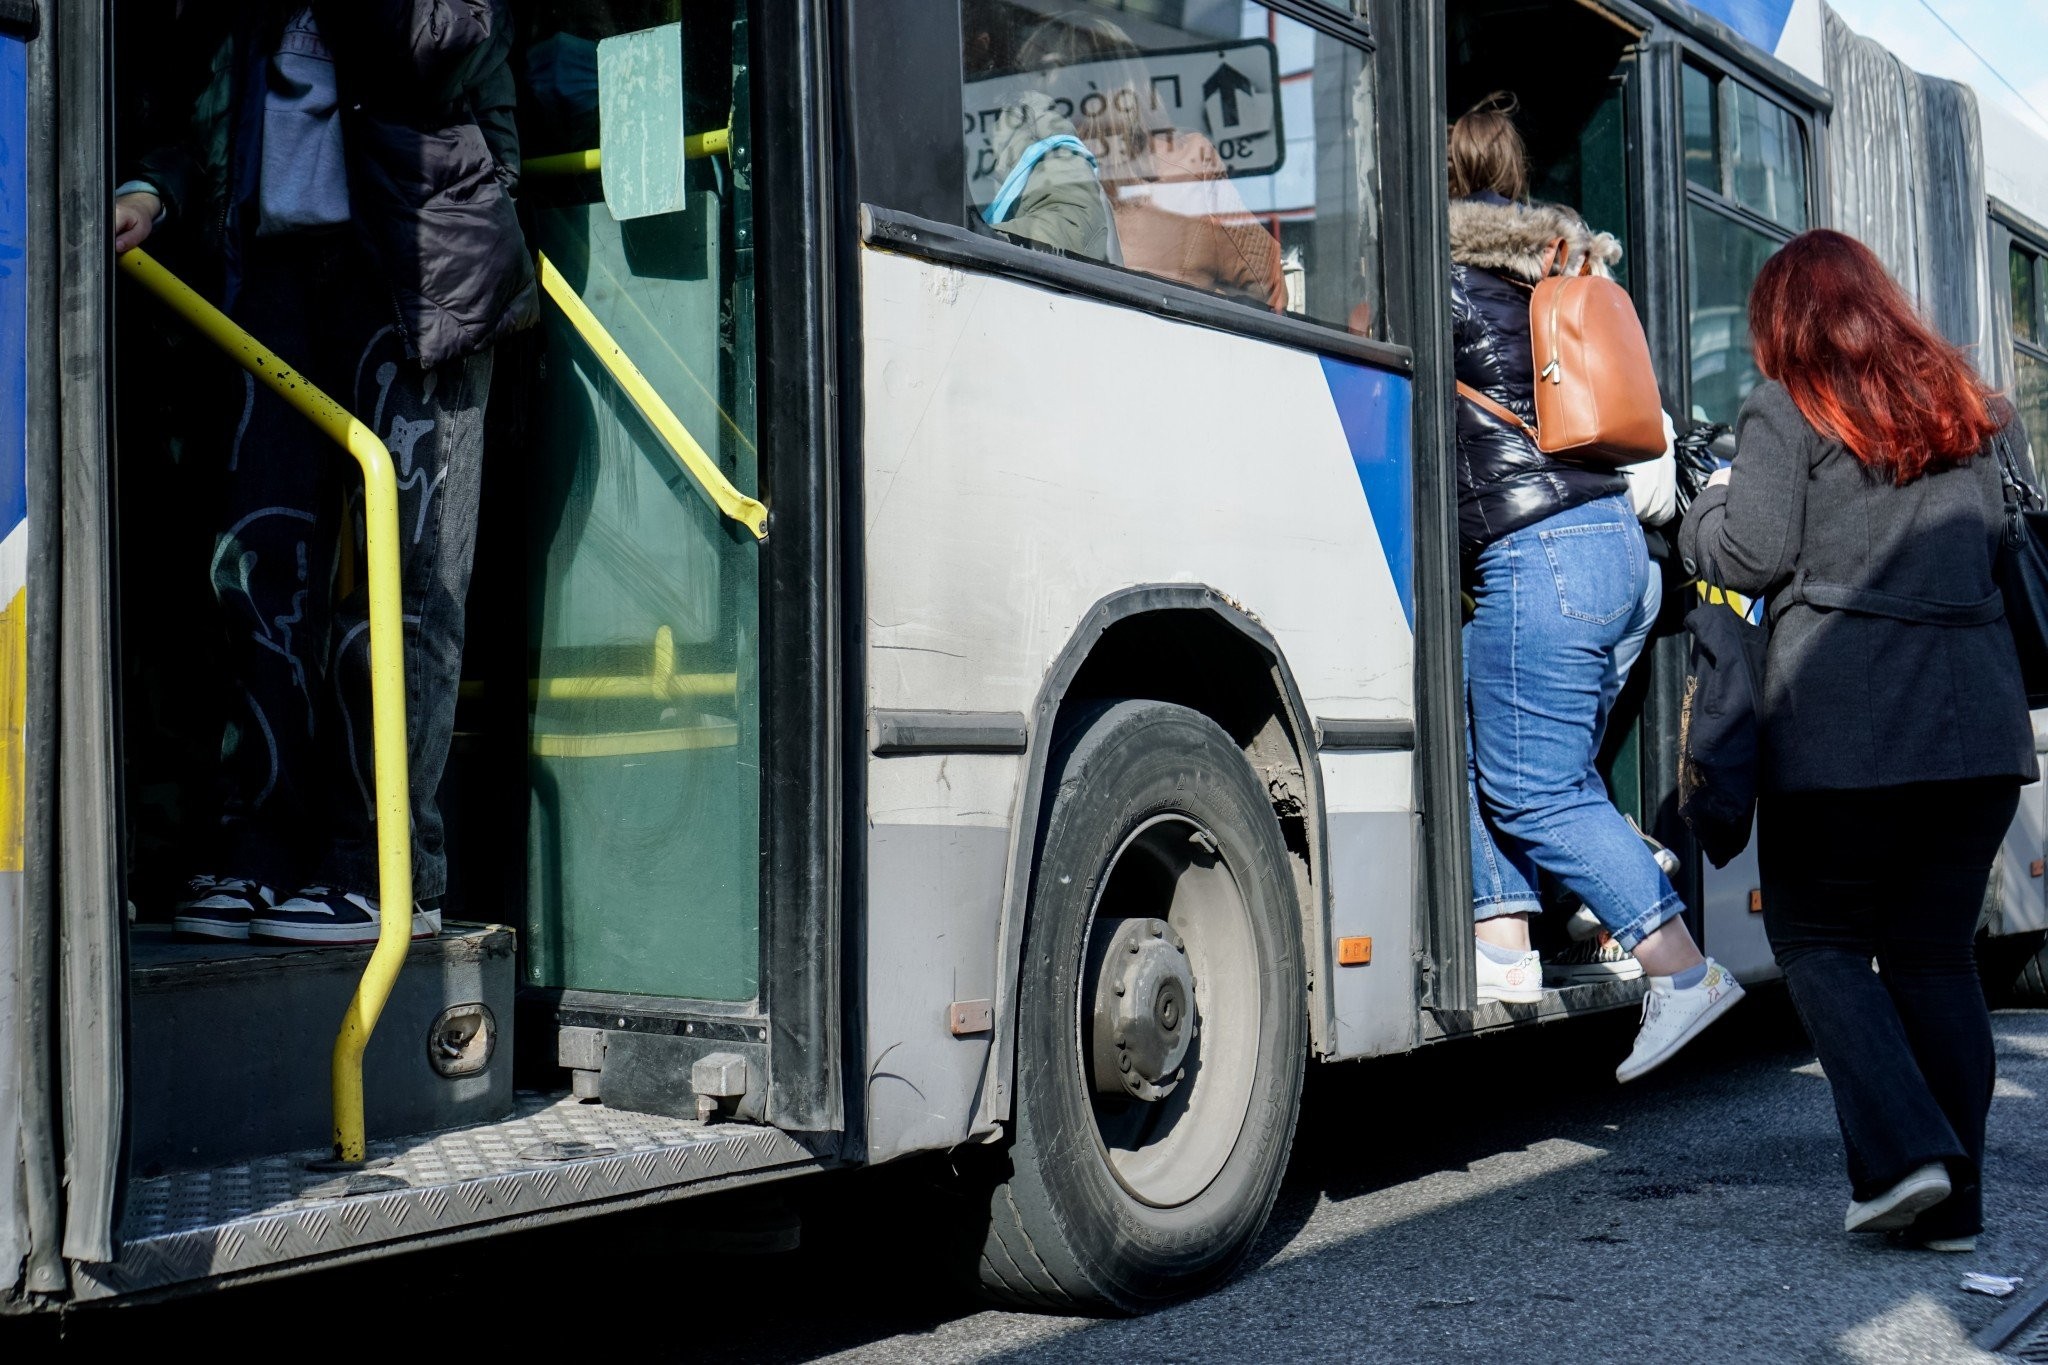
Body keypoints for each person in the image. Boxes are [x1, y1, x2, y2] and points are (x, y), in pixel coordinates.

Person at [114, 1, 537, 945]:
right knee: (260, 568)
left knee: (405, 584)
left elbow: (447, 41)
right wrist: (155, 186)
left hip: (416, 265)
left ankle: (383, 866)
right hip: (271, 270)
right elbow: (208, 97)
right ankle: (260, 844)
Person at [1680, 229, 2037, 1252]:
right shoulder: (1972, 413)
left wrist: (1700, 506)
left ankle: (1901, 1159)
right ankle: (1953, 1208)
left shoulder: (1785, 408)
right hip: (1974, 733)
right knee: (1931, 958)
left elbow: (1746, 556)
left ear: (1782, 321)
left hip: (1842, 729)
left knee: (1819, 942)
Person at [1447, 95, 1742, 1080]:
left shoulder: (1435, 284)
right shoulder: (1556, 278)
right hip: (1615, 551)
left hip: (1539, 554)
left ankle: (1678, 968)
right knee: (1485, 732)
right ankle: (1502, 941)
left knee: (1536, 788)